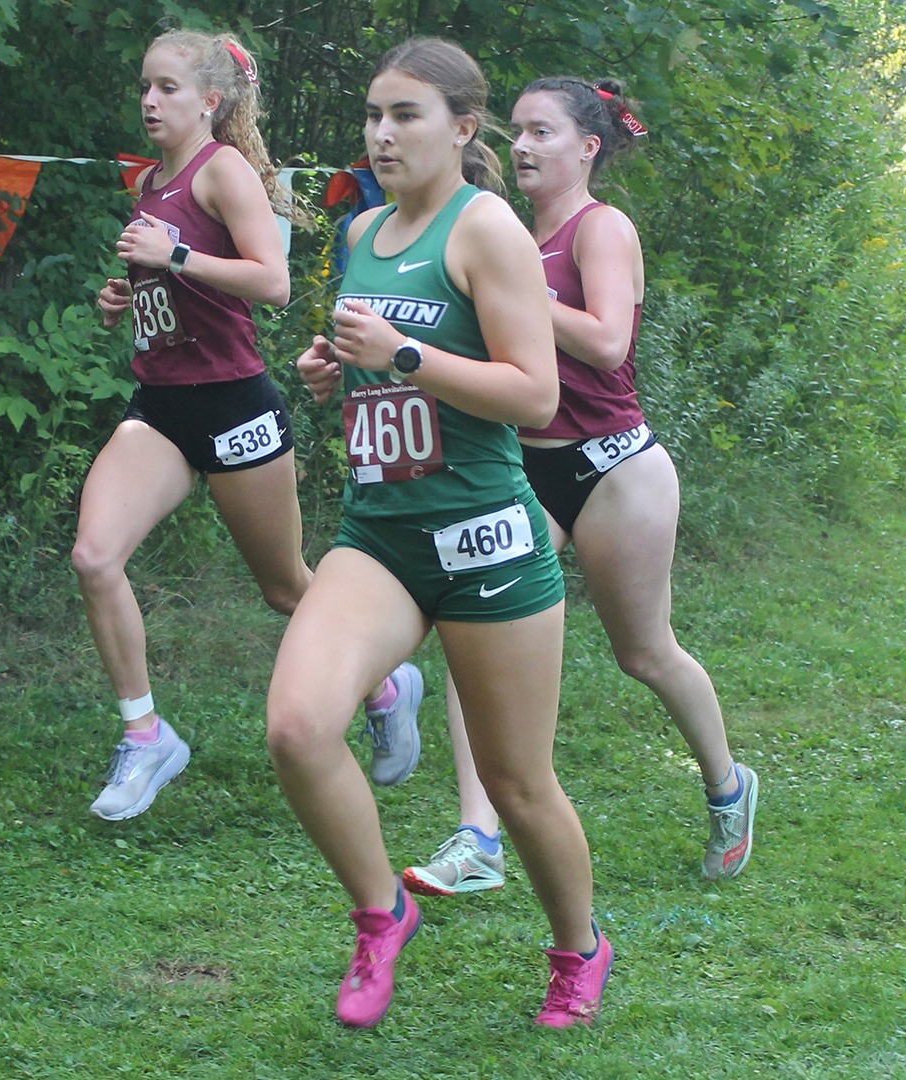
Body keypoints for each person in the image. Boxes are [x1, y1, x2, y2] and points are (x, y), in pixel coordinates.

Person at [270, 37, 609, 1028]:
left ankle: (577, 947)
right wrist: (340, 370)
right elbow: (377, 368)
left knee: (515, 779)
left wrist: (408, 354)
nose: (382, 134)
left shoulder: (487, 228)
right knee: (297, 727)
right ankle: (382, 917)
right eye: (373, 115)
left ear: (463, 128)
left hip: (485, 539)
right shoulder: (359, 234)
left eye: (406, 114)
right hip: (380, 534)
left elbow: (536, 393)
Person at [401, 76, 755, 901]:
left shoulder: (602, 228)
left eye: (542, 132)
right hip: (521, 467)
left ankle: (729, 787)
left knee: (645, 652)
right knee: (475, 628)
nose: (521, 145)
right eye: (515, 131)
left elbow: (605, 341)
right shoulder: (506, 235)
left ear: (587, 148)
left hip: (616, 467)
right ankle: (477, 836)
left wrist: (513, 286)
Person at [79, 31, 420, 821]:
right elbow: (170, 283)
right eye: (144, 86)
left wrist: (175, 260)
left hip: (234, 405)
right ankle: (146, 735)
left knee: (283, 586)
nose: (150, 101)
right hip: (160, 407)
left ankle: (385, 681)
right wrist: (124, 297)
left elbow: (272, 280)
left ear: (210, 101)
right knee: (95, 557)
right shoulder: (154, 184)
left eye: (167, 88)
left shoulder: (222, 171)